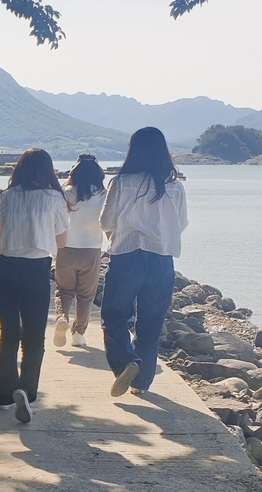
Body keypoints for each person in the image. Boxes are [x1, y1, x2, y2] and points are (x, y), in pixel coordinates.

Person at [0, 149, 70, 424]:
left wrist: (2, 228)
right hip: (36, 272)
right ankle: (25, 391)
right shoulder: (54, 199)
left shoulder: (5, 197)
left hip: (5, 270)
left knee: (9, 334)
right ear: (48, 171)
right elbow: (61, 242)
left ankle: (4, 398)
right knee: (34, 337)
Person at [100, 127, 188, 397]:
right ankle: (142, 383)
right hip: (162, 260)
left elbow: (106, 222)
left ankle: (127, 361)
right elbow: (181, 224)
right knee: (151, 322)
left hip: (127, 256)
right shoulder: (175, 186)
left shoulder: (121, 182)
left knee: (114, 316)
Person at [54, 154, 106, 348]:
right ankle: (78, 334)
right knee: (85, 295)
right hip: (91, 250)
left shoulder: (65, 192)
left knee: (64, 291)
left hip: (66, 248)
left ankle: (61, 317)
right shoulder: (103, 195)